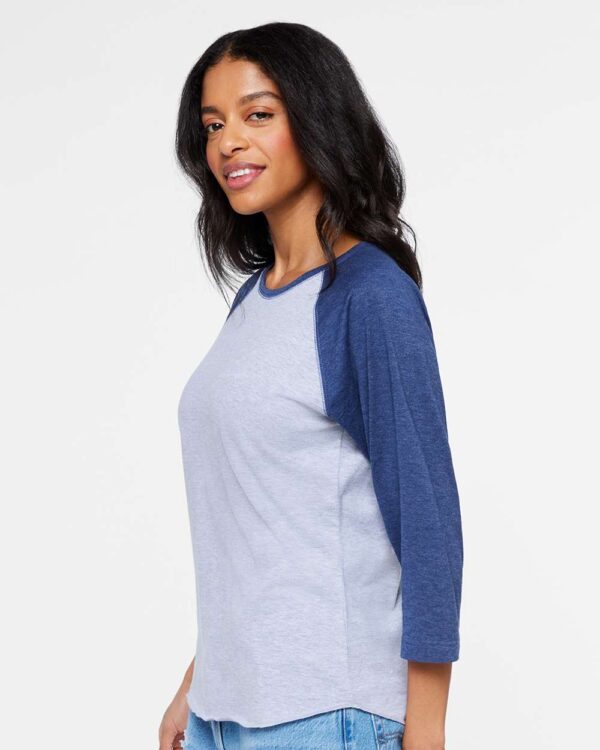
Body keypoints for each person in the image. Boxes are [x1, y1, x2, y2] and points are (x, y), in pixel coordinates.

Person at [158, 21, 464, 750]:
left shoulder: (368, 297)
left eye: (258, 114)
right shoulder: (255, 300)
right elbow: (261, 527)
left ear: (318, 119)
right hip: (225, 712)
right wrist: (195, 685)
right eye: (213, 125)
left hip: (328, 713)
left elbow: (429, 528)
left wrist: (426, 733)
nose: (229, 142)